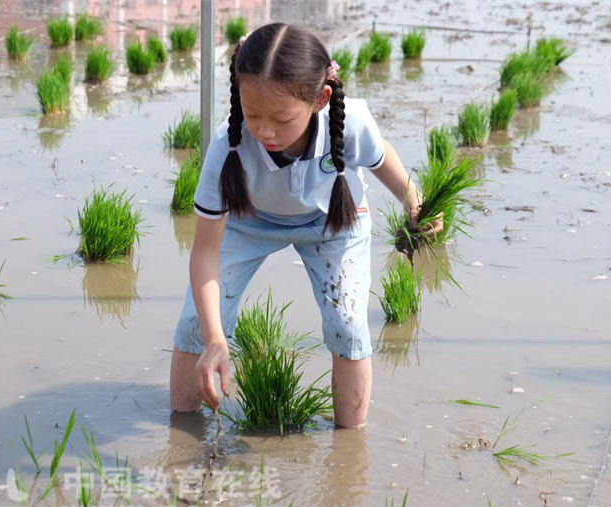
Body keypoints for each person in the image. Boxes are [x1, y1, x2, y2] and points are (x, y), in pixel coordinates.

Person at [169, 23, 442, 428]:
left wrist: (413, 202)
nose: (264, 131)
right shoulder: (227, 148)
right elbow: (206, 251)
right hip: (251, 222)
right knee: (196, 321)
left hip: (333, 220)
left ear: (320, 100)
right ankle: (182, 428)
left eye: (281, 118)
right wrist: (214, 341)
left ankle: (350, 448)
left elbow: (381, 158)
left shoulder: (349, 123)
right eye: (253, 113)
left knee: (348, 325)